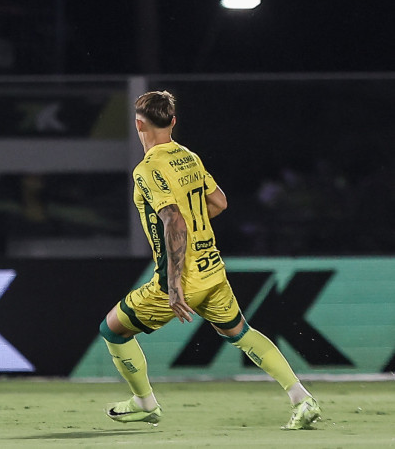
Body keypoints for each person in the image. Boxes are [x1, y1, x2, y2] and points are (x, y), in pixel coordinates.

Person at [99, 91, 321, 430]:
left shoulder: (147, 169)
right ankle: (302, 399)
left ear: (138, 123)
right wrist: (195, 227)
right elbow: (218, 202)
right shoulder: (188, 157)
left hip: (181, 278)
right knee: (242, 333)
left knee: (113, 330)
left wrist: (173, 286)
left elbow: (173, 220)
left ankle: (145, 403)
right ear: (172, 121)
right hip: (212, 269)